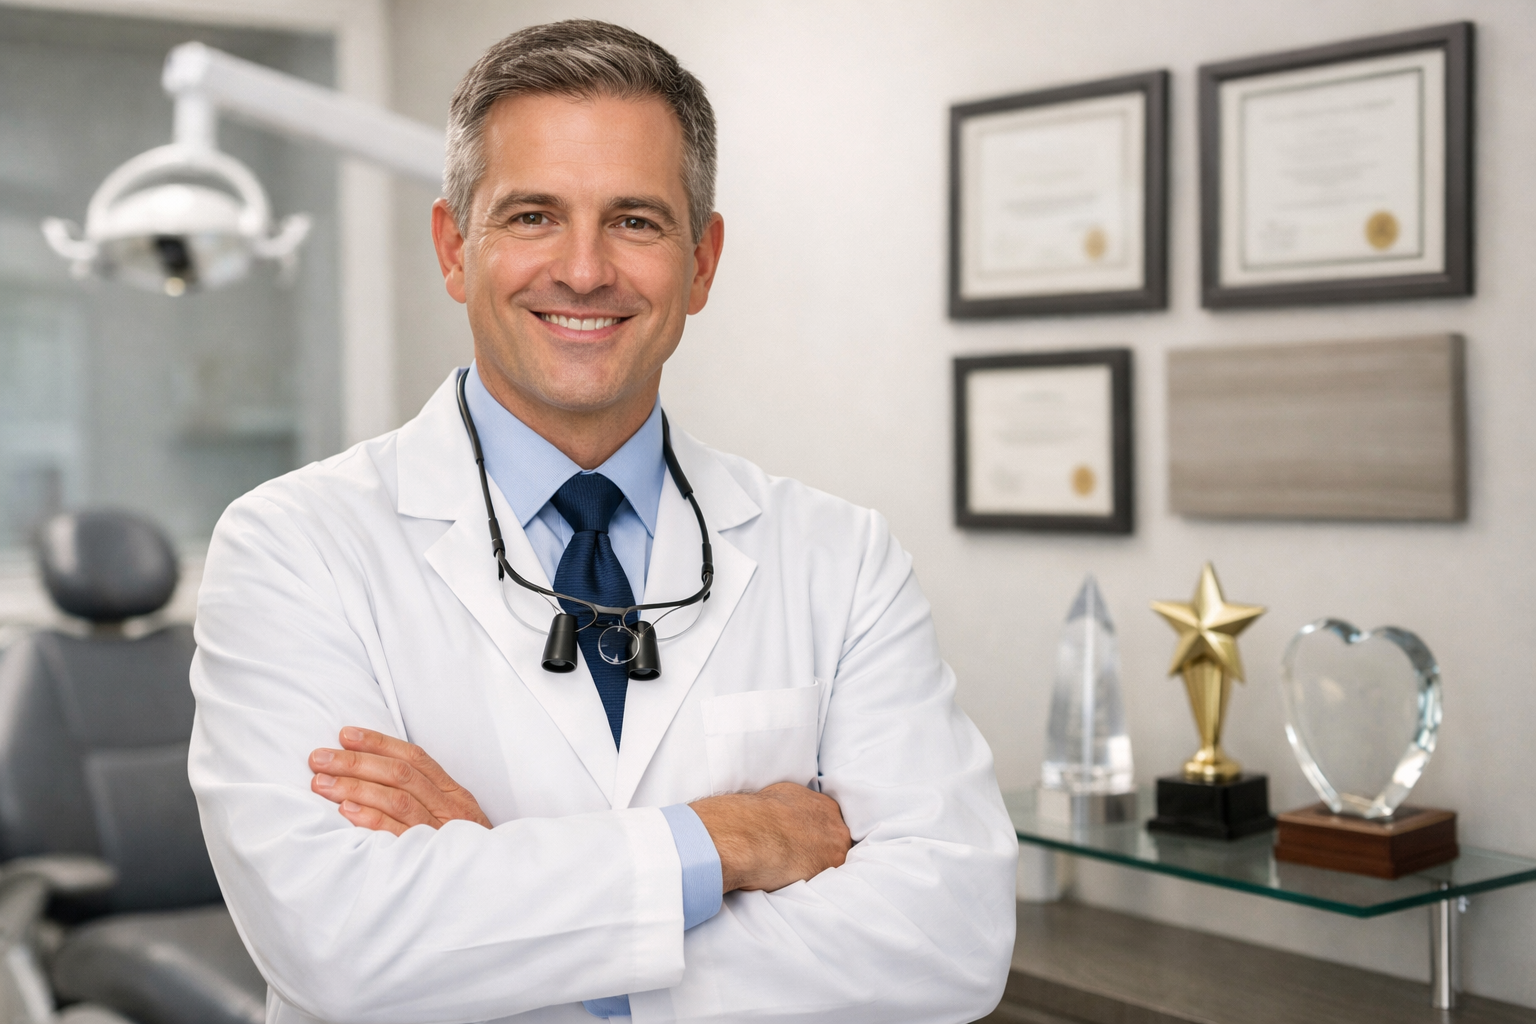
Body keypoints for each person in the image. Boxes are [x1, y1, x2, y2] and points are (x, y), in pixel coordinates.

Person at [189, 19, 1016, 1024]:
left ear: (703, 263)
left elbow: (952, 938)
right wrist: (730, 840)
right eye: (533, 215)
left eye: (635, 220)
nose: (584, 270)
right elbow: (340, 944)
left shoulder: (840, 558)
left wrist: (520, 918)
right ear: (455, 249)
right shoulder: (292, 546)